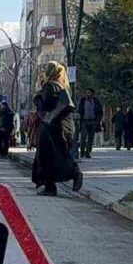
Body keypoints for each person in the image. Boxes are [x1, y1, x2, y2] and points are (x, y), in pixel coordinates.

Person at [30, 61, 83, 196]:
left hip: (50, 127)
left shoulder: (50, 86)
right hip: (61, 126)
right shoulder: (62, 86)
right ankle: (71, 174)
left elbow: (47, 105)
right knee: (59, 154)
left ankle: (52, 186)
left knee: (46, 157)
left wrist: (38, 99)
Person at [77, 89, 103, 158]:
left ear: (93, 94)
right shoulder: (83, 101)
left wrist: (97, 121)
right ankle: (82, 152)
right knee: (83, 137)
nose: (87, 94)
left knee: (90, 138)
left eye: (89, 93)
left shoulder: (96, 101)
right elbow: (79, 110)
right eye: (86, 92)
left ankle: (88, 152)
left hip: (93, 121)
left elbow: (100, 112)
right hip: (84, 121)